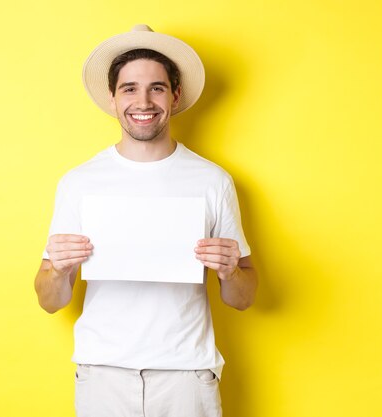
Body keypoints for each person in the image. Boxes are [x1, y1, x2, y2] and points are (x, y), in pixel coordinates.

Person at [34, 24, 258, 417]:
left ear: (175, 95)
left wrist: (229, 272)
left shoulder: (212, 180)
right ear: (113, 98)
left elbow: (243, 298)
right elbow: (51, 301)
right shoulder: (79, 182)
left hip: (186, 375)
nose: (144, 100)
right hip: (103, 375)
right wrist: (57, 271)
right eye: (129, 88)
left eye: (156, 87)